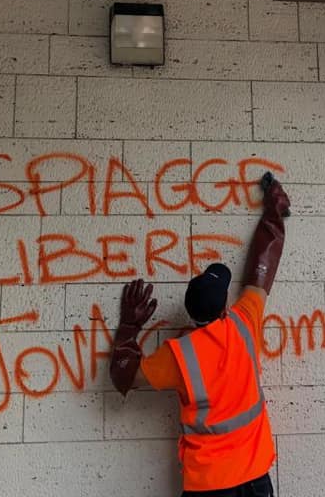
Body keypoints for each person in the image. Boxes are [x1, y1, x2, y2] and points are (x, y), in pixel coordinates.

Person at [109, 173, 291, 497]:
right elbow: (261, 272)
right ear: (224, 308)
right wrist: (273, 214)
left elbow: (125, 377)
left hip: (210, 485)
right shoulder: (244, 321)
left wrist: (128, 329)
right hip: (256, 477)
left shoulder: (178, 355)